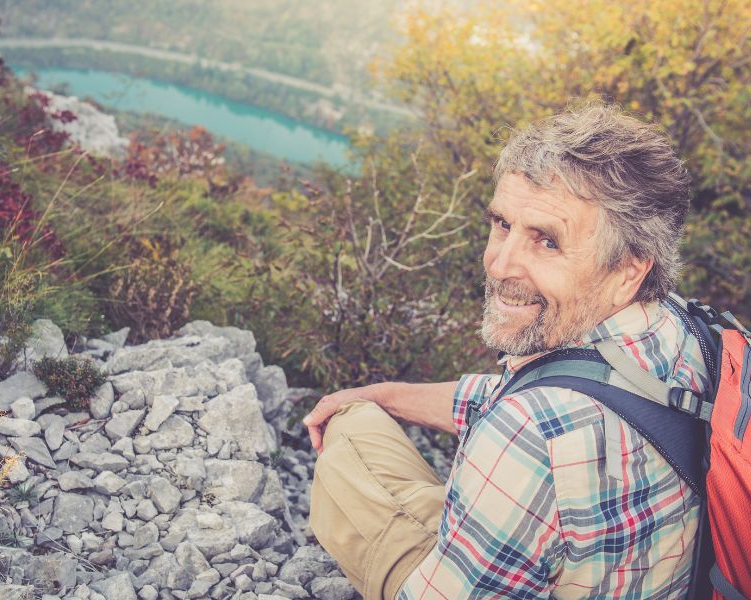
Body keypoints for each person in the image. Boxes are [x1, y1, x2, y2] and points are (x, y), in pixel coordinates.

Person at [302, 103, 709, 599]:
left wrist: (361, 409)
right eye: (502, 224)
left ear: (627, 271)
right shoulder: (682, 330)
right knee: (373, 410)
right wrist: (387, 395)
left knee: (352, 427)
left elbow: (535, 421)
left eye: (548, 243)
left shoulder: (528, 430)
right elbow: (530, 398)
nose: (499, 264)